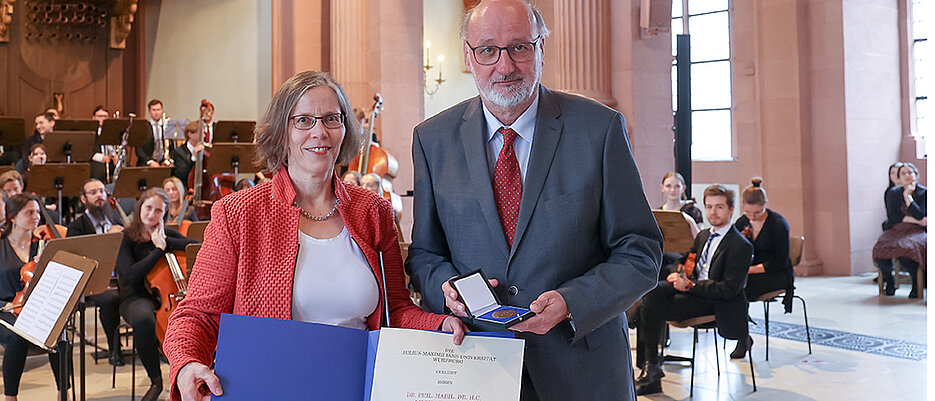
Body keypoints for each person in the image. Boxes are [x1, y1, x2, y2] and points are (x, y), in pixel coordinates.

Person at [405, 1, 663, 399]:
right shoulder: (432, 139)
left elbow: (640, 252)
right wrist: (446, 288)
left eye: (519, 48)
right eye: (488, 50)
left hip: (583, 368)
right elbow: (423, 254)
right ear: (468, 56)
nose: (504, 66)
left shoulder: (599, 129)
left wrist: (571, 301)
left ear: (541, 47)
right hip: (477, 364)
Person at [162, 70, 467, 401]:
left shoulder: (373, 212)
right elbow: (198, 315)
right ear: (282, 133)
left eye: (331, 119)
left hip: (357, 388)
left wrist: (439, 325)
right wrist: (188, 363)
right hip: (270, 388)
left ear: (344, 129)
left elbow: (397, 310)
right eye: (303, 120)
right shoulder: (237, 213)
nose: (319, 132)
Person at [634, 184, 753, 395]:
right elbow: (685, 258)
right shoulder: (704, 235)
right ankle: (650, 368)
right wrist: (678, 273)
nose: (713, 212)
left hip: (715, 301)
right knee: (650, 294)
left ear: (731, 209)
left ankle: (650, 370)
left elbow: (729, 289)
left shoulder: (740, 245)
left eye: (719, 207)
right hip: (693, 289)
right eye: (709, 207)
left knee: (651, 307)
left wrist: (690, 285)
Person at [115, 188, 198, 401]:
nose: (151, 214)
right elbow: (131, 276)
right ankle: (155, 381)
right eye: (148, 208)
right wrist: (158, 250)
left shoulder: (164, 234)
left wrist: (164, 241)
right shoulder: (126, 237)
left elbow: (195, 246)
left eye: (158, 210)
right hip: (135, 297)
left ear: (165, 214)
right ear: (140, 207)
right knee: (144, 319)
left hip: (167, 297)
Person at [0, 194, 70, 400]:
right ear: (12, 217)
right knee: (17, 336)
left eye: (38, 212)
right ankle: (10, 396)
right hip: (4, 310)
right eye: (29, 212)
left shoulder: (43, 245)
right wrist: (5, 305)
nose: (36, 217)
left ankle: (63, 393)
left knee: (60, 334)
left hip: (38, 307)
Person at [732, 177, 794, 357]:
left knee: (741, 288)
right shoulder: (742, 222)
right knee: (733, 285)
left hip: (776, 273)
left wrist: (749, 270)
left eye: (757, 213)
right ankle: (742, 335)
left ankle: (742, 337)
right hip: (750, 273)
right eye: (748, 212)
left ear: (765, 204)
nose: (751, 217)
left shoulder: (778, 224)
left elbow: (780, 262)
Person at [66, 178, 126, 365]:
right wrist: (107, 241)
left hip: (121, 276)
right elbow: (77, 261)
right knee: (110, 300)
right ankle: (114, 349)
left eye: (101, 191)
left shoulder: (116, 218)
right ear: (84, 199)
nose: (99, 195)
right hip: (93, 281)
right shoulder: (76, 227)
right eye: (93, 192)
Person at [874, 162, 926, 298]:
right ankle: (889, 281)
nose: (907, 176)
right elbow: (893, 217)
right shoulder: (893, 193)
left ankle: (916, 284)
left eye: (910, 172)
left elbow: (922, 214)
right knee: (881, 249)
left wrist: (908, 197)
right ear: (899, 178)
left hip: (917, 231)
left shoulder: (925, 192)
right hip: (897, 229)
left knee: (907, 252)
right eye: (903, 173)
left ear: (916, 175)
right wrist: (914, 219)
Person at [170, 122, 205, 186]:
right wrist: (194, 157)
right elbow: (182, 174)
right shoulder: (179, 152)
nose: (204, 136)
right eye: (201, 133)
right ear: (190, 135)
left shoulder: (206, 150)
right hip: (186, 187)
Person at [90, 106, 117, 182]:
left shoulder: (113, 132)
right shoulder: (90, 132)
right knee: (98, 168)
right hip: (96, 162)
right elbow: (87, 150)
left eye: (105, 116)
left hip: (110, 162)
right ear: (94, 118)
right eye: (99, 116)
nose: (103, 118)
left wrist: (115, 155)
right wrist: (102, 157)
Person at [138, 99, 167, 167]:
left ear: (162, 110)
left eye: (158, 109)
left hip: (163, 163)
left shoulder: (167, 126)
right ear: (149, 111)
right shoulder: (143, 127)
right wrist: (150, 161)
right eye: (154, 110)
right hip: (147, 163)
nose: (156, 112)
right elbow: (139, 150)